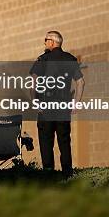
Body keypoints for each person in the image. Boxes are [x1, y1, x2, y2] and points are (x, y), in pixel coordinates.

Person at [29, 31, 84, 177]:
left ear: (52, 42)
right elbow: (80, 82)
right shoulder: (70, 59)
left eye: (46, 40)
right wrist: (76, 103)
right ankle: (67, 172)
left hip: (46, 107)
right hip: (63, 107)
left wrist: (35, 102)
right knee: (64, 140)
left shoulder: (43, 59)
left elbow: (33, 83)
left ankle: (48, 173)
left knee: (46, 140)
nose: (45, 43)